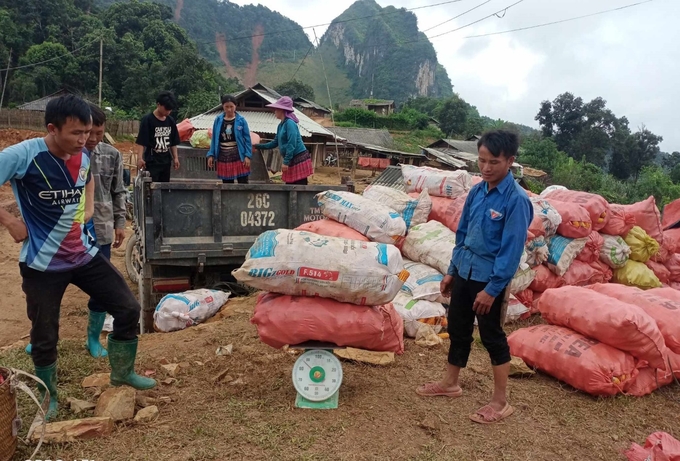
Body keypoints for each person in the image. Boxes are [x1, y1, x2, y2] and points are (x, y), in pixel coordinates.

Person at [0, 95, 156, 421]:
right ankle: (49, 397)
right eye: (76, 133)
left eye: (88, 132)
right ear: (52, 128)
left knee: (128, 308)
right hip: (42, 263)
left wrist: (86, 206)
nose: (84, 140)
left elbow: (88, 179)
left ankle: (122, 373)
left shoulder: (82, 155)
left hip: (84, 256)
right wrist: (10, 220)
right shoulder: (23, 155)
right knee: (45, 336)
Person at [416, 130, 533, 425]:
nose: (486, 167)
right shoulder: (477, 192)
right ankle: (450, 384)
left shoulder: (516, 201)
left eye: (493, 161)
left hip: (489, 279)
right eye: (481, 161)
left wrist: (493, 290)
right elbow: (463, 234)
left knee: (492, 336)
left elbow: (510, 250)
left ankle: (500, 402)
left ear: (510, 161)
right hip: (465, 271)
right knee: (458, 327)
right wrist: (452, 271)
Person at [24, 104, 127, 359]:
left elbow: (118, 191)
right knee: (46, 292)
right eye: (85, 132)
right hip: (57, 234)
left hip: (99, 229)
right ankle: (41, 336)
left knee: (102, 290)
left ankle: (92, 339)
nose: (90, 139)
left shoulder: (111, 155)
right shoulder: (55, 154)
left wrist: (120, 223)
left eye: (96, 133)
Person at [253, 96, 313, 185]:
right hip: (291, 158)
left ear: (282, 110)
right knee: (290, 185)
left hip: (298, 158)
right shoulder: (281, 125)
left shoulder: (290, 123)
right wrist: (257, 146)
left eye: (276, 109)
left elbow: (291, 144)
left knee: (299, 186)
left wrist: (285, 162)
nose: (275, 111)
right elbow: (274, 143)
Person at [206, 94, 253, 183]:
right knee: (227, 184)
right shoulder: (218, 120)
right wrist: (211, 154)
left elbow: (247, 139)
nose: (229, 109)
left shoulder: (241, 120)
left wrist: (247, 156)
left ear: (235, 106)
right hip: (223, 156)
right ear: (222, 106)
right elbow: (214, 139)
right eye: (226, 106)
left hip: (239, 155)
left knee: (243, 182)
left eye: (231, 106)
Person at [135, 91, 181, 182]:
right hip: (152, 162)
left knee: (164, 188)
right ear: (158, 104)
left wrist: (175, 158)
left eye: (170, 110)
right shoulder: (147, 120)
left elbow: (173, 142)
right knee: (152, 188)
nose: (168, 112)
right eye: (166, 109)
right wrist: (140, 158)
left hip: (166, 161)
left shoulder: (170, 121)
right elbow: (141, 141)